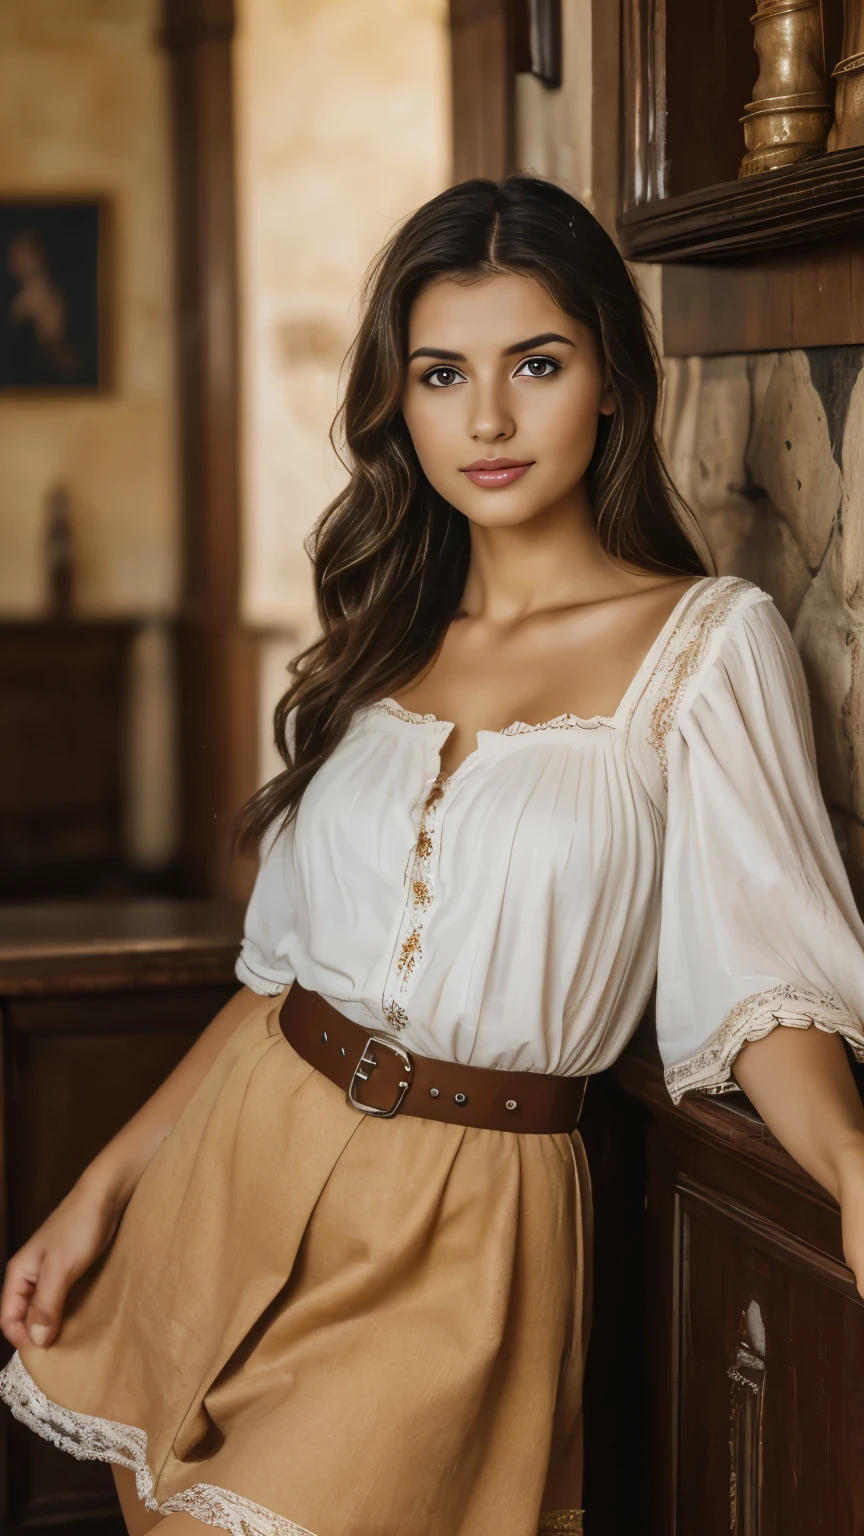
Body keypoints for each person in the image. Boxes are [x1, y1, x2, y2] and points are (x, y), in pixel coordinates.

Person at [2, 174, 864, 1536]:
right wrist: (98, 1194)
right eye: (441, 374)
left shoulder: (706, 645)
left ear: (614, 383)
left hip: (473, 1229)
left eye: (537, 363)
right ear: (400, 405)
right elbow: (277, 982)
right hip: (241, 1169)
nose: (490, 419)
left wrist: (856, 1172)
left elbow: (770, 984)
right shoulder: (380, 641)